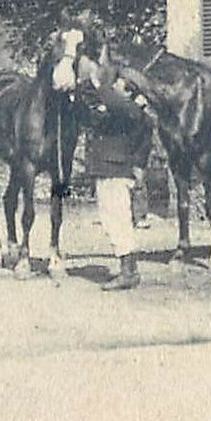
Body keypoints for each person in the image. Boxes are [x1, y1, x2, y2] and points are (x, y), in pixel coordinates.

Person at [84, 74, 154, 290]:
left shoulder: (131, 111)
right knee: (112, 220)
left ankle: (128, 272)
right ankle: (128, 269)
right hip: (109, 169)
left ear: (129, 91)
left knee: (118, 220)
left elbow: (115, 102)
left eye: (118, 84)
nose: (113, 86)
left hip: (116, 170)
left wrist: (97, 82)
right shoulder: (121, 111)